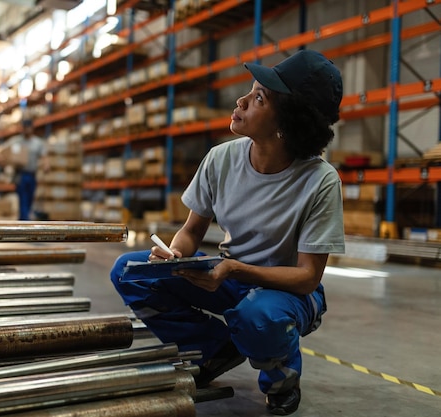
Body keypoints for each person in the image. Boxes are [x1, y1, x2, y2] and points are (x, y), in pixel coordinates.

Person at [110, 49, 345, 415]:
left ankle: (281, 381)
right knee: (131, 272)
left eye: (258, 98)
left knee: (258, 316)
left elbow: (306, 277)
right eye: (249, 92)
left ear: (289, 121)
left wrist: (234, 270)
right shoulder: (222, 159)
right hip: (229, 275)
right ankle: (214, 349)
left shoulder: (320, 181)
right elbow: (191, 230)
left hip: (286, 292)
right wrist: (174, 254)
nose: (241, 101)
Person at [9, 119, 47, 221]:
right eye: (24, 128)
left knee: (30, 198)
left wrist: (46, 165)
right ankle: (24, 220)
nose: (26, 130)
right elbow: (5, 151)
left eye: (28, 128)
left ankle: (25, 218)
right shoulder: (17, 141)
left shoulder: (37, 143)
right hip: (20, 175)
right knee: (23, 199)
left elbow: (44, 156)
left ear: (32, 128)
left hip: (32, 175)